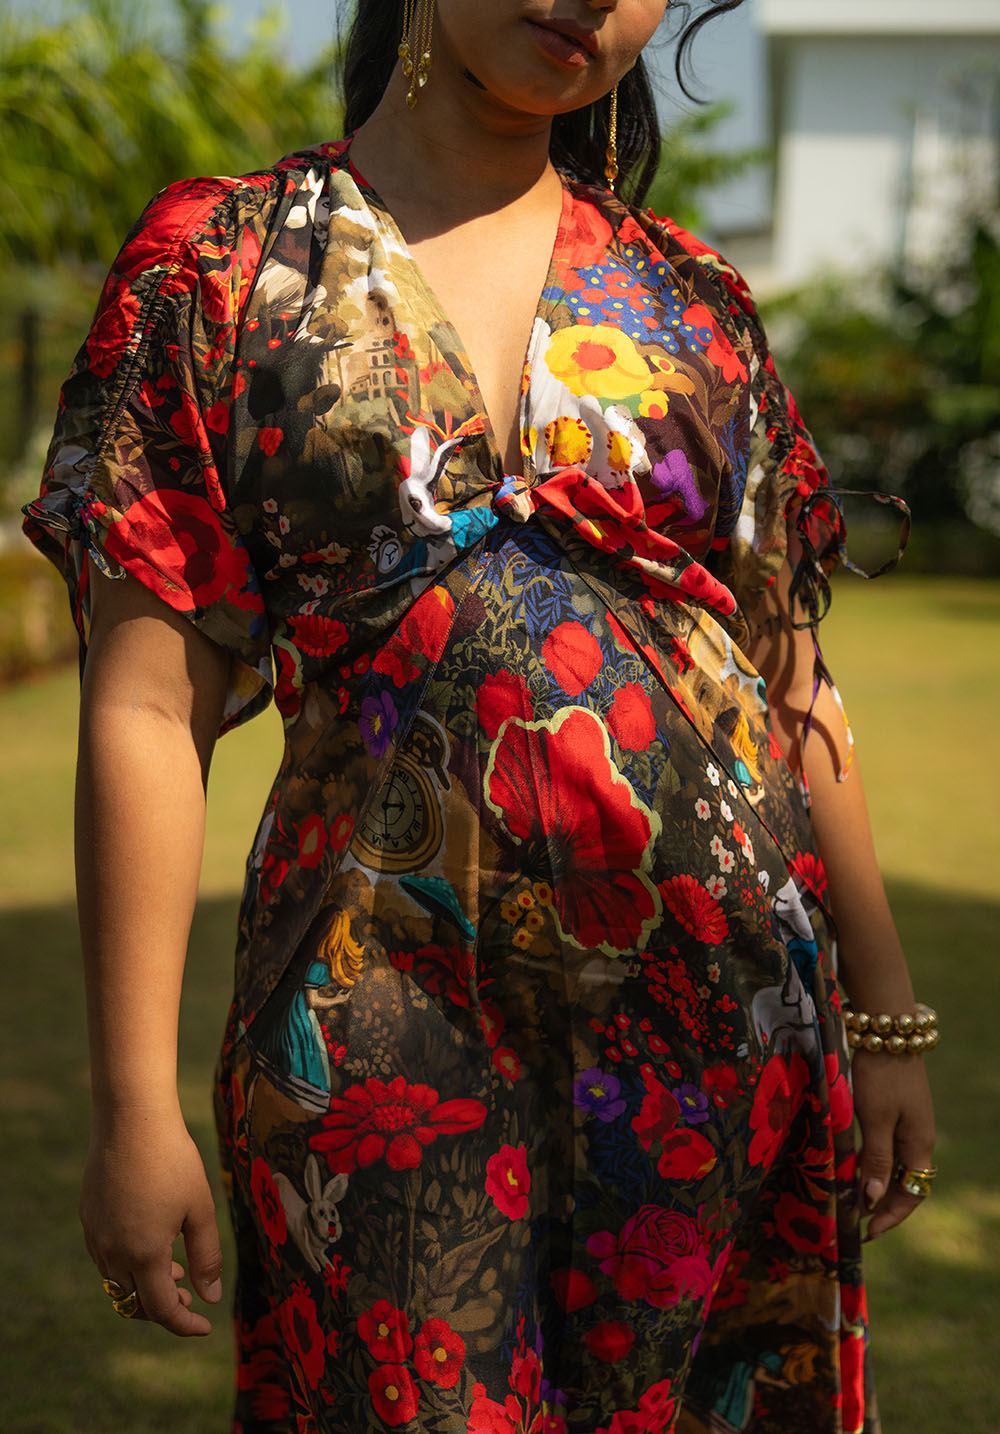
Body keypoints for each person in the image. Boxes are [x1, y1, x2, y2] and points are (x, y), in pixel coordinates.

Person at [23, 1, 937, 1430]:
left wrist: (885, 1016)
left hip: (719, 1030)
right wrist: (133, 1104)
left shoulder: (691, 299)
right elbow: (146, 704)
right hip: (377, 1035)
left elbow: (790, 677)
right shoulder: (226, 267)